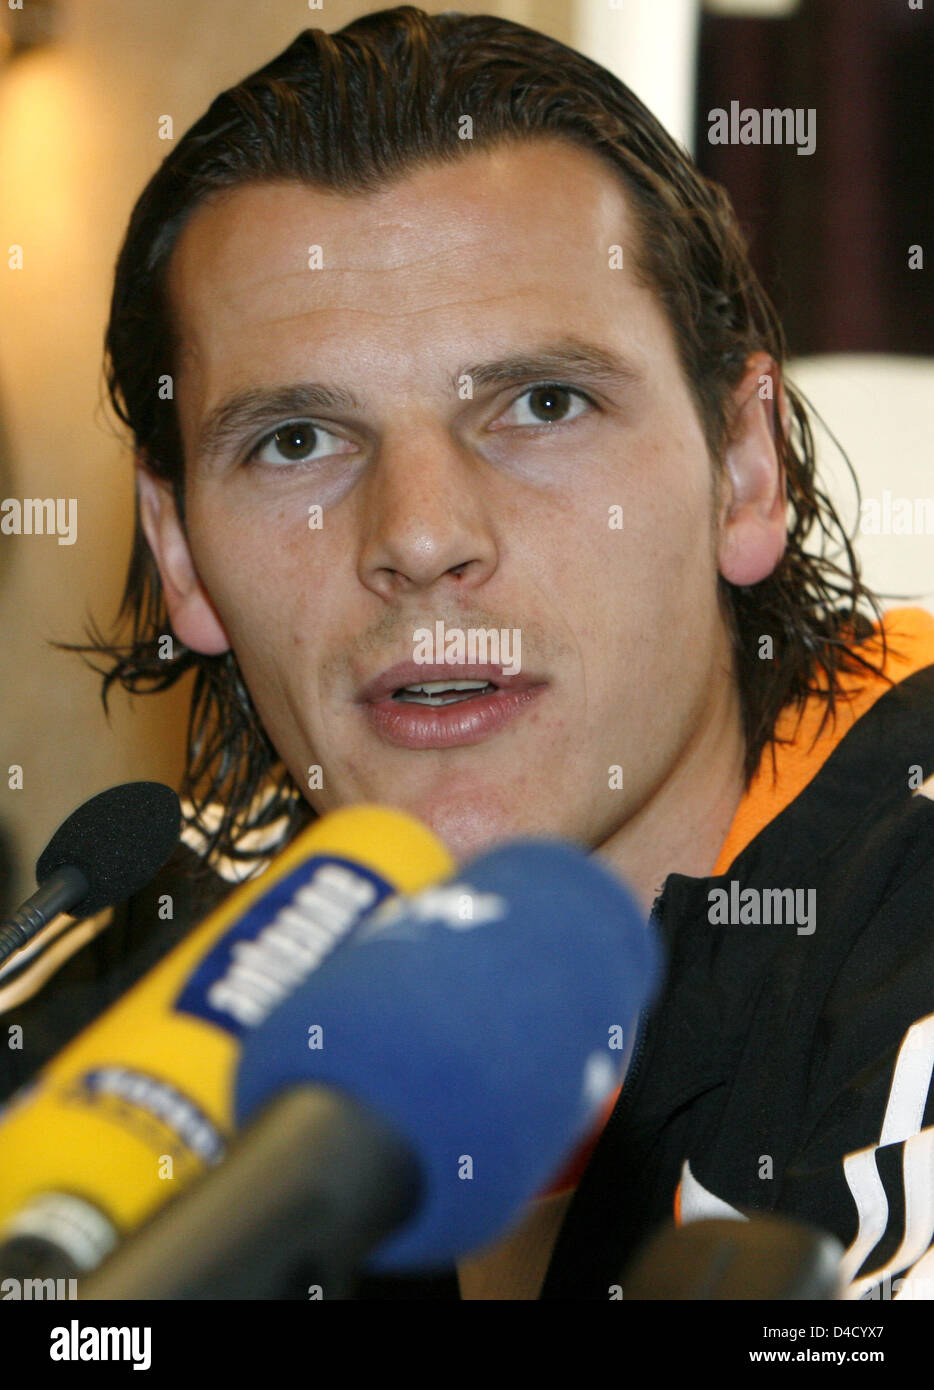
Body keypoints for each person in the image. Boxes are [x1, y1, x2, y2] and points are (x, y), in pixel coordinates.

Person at [5, 5, 934, 1300]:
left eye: (542, 404)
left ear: (741, 466)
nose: (421, 534)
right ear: (179, 551)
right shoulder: (152, 959)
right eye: (294, 441)